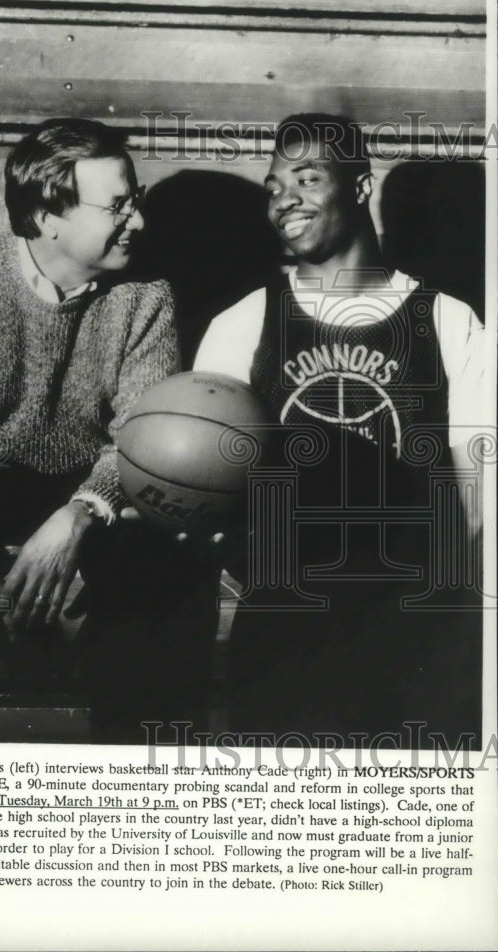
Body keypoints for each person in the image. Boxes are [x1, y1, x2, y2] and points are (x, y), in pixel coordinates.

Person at [0, 117, 219, 742]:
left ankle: (139, 773)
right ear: (48, 216)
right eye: (118, 206)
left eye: (135, 200)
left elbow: (141, 438)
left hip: (84, 497)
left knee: (169, 572)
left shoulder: (145, 295)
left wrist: (81, 512)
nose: (138, 220)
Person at [195, 113, 484, 746]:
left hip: (411, 611)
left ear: (358, 187)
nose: (284, 201)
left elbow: (474, 491)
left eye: (307, 178)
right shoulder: (244, 320)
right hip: (287, 611)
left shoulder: (448, 319)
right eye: (273, 187)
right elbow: (201, 474)